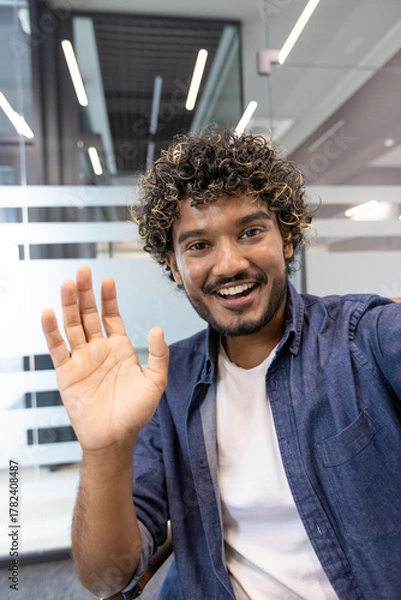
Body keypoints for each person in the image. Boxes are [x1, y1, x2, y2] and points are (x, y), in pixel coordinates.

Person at [41, 129, 401, 600]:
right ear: (173, 265)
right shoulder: (164, 388)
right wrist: (105, 451)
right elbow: (107, 578)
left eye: (250, 231)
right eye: (198, 245)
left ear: (287, 239)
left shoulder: (364, 337)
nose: (229, 265)